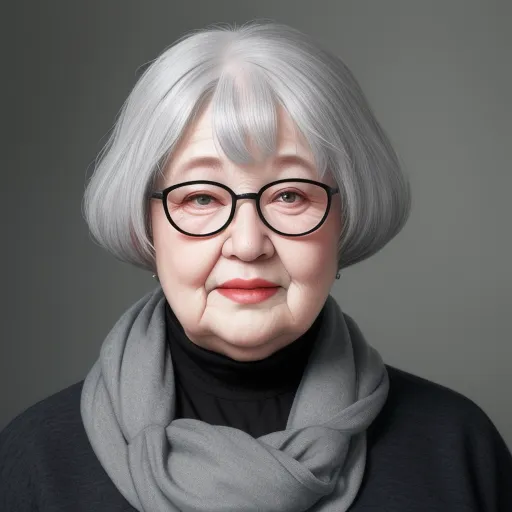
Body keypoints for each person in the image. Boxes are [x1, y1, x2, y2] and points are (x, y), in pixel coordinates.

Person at [1, 20, 511, 512]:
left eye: (290, 194)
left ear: (345, 218)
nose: (247, 244)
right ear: (147, 226)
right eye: (200, 197)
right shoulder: (35, 461)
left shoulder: (458, 449)